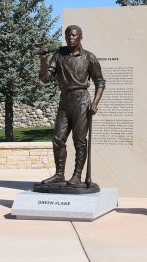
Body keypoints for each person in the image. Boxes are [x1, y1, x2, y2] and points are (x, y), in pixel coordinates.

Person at [39, 25, 105, 186]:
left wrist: (95, 103)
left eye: (74, 36)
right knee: (58, 139)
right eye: (68, 36)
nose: (70, 38)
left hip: (82, 101)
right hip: (65, 100)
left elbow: (100, 82)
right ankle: (59, 174)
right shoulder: (59, 55)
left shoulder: (89, 57)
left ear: (80, 37)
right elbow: (45, 78)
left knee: (79, 140)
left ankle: (77, 175)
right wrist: (43, 61)